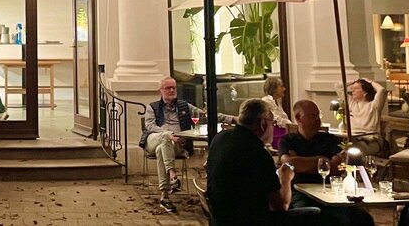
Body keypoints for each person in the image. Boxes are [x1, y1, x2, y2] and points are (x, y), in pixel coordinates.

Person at [206, 98, 326, 225]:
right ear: (263, 124)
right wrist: (285, 178)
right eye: (273, 123)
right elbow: (281, 206)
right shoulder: (257, 152)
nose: (273, 127)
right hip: (248, 220)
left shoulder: (220, 138)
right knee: (316, 213)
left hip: (220, 218)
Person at [279, 100, 372, 226]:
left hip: (330, 192)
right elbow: (289, 164)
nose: (318, 120)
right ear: (298, 118)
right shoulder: (288, 140)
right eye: (313, 116)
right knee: (316, 217)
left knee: (363, 218)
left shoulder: (329, 139)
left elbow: (334, 169)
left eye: (318, 115)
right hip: (302, 193)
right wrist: (322, 160)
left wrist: (303, 163)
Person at [139, 77, 198, 213]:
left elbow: (204, 115)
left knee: (162, 149)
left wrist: (232, 119)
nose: (171, 90)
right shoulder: (152, 107)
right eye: (168, 88)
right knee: (165, 137)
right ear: (160, 91)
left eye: (173, 88)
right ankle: (172, 173)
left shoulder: (185, 106)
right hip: (153, 139)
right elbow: (150, 126)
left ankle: (165, 196)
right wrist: (168, 133)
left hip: (173, 144)